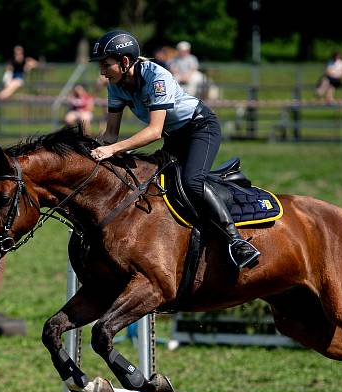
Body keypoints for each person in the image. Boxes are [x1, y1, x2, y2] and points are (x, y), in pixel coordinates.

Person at [88, 30, 260, 270]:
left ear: (125, 62)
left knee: (191, 182)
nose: (102, 71)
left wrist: (113, 150)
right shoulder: (115, 85)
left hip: (201, 128)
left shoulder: (157, 77)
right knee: (152, 180)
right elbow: (110, 136)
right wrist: (93, 153)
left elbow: (154, 131)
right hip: (175, 136)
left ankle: (237, 242)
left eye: (106, 65)